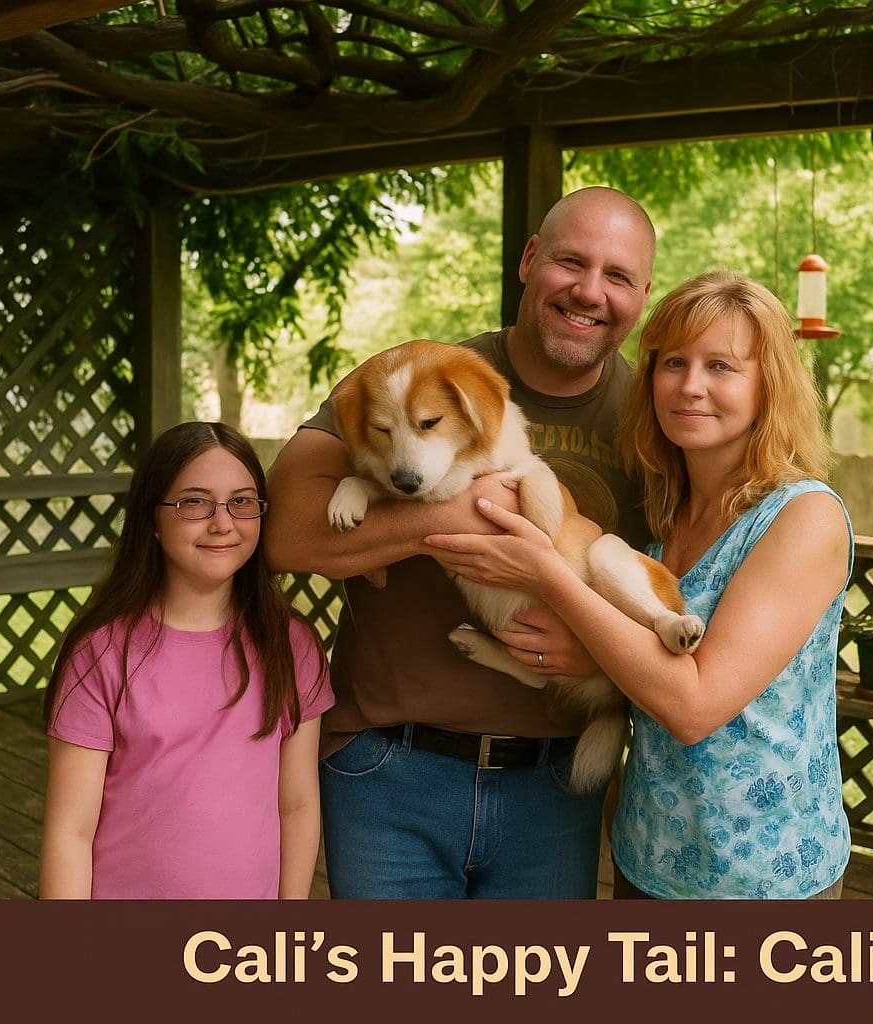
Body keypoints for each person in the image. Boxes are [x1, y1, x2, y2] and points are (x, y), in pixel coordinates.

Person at [263, 186, 656, 898]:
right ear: (530, 259)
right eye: (571, 261)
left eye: (618, 275)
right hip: (391, 769)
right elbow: (288, 534)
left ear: (642, 293)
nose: (589, 290)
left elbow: (688, 585)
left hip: (554, 781)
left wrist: (598, 642)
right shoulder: (417, 375)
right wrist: (465, 514)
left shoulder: (657, 418)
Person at [426, 270, 854, 898]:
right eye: (673, 362)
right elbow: (634, 664)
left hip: (766, 879)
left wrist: (546, 572)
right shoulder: (663, 516)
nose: (690, 386)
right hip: (647, 858)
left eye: (722, 367)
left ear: (770, 387)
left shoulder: (802, 517)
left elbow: (693, 707)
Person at [39, 422, 333, 899]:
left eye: (241, 502)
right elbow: (70, 831)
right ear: (153, 520)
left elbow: (296, 805)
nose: (222, 523)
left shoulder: (291, 644)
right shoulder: (102, 652)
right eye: (194, 502)